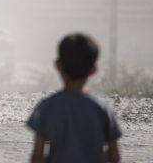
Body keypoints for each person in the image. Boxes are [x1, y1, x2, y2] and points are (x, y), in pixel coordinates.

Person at [27, 33, 122, 163]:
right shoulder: (102, 108)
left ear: (58, 65)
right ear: (94, 70)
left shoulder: (46, 107)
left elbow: (37, 155)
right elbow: (114, 156)